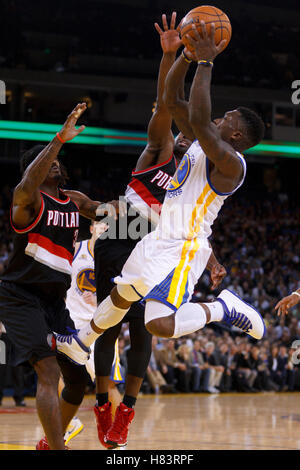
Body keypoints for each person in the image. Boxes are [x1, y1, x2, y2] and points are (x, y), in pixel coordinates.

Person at [56, 22, 266, 445]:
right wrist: (182, 57)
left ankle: (221, 310)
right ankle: (84, 343)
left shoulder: (231, 164)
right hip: (154, 239)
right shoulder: (194, 141)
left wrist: (205, 60)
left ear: (236, 134)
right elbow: (169, 100)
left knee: (158, 327)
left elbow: (204, 122)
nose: (218, 118)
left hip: (184, 247)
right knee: (121, 294)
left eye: (227, 118)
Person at [90, 12, 224, 450]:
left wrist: (215, 259)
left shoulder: (196, 180)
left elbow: (195, 228)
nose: (186, 140)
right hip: (122, 231)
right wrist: (170, 57)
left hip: (160, 245)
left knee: (145, 330)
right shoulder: (158, 153)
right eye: (184, 137)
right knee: (107, 330)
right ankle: (101, 404)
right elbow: (167, 106)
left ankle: (126, 410)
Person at [0, 103, 121, 450]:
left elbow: (111, 215)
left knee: (76, 380)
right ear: (32, 172)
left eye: (56, 159)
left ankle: (48, 442)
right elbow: (29, 180)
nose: (54, 162)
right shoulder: (27, 200)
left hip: (54, 302)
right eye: (45, 161)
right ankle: (57, 448)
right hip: (19, 296)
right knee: (49, 372)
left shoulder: (74, 200)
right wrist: (57, 139)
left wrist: (155, 215)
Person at [63, 220, 125, 445]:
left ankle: (117, 437)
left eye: (110, 226)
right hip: (70, 324)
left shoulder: (115, 257)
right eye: (101, 224)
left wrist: (99, 298)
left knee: (107, 384)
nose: (105, 228)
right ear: (91, 228)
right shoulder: (74, 249)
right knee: (56, 373)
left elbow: (125, 293)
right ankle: (68, 425)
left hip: (101, 327)